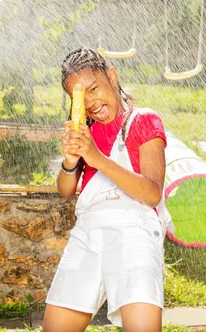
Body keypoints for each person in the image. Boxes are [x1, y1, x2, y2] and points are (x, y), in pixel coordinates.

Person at [43, 47, 169, 332]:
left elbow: (151, 194)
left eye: (94, 88)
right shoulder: (86, 131)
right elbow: (65, 191)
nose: (90, 102)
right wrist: (70, 161)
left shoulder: (142, 121)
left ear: (112, 77)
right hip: (88, 235)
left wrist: (96, 156)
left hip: (134, 235)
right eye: (79, 96)